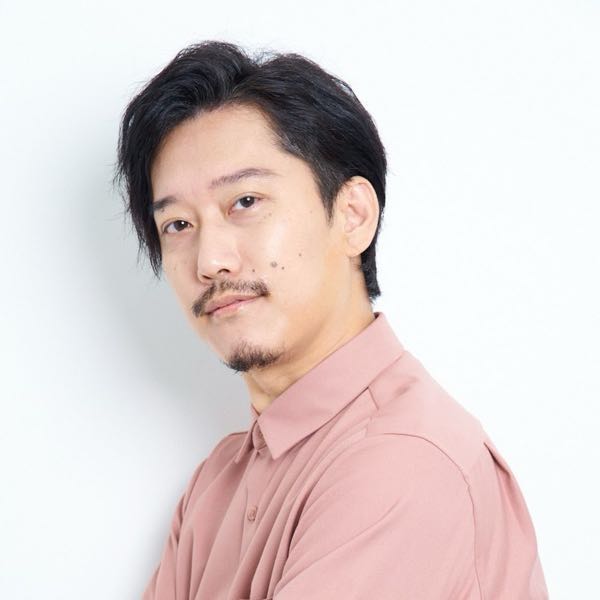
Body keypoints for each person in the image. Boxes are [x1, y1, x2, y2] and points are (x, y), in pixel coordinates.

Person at [113, 40, 549, 600]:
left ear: (353, 216)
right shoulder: (216, 485)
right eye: (177, 225)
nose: (209, 260)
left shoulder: (404, 460)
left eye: (245, 202)